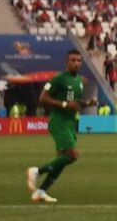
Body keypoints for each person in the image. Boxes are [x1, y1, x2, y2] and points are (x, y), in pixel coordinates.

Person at [25, 51, 86, 204]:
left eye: (79, 61)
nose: (76, 63)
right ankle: (36, 171)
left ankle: (41, 191)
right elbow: (43, 98)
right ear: (67, 62)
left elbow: (75, 102)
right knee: (72, 155)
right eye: (73, 60)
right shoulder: (59, 78)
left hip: (70, 123)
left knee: (62, 160)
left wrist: (87, 103)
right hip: (59, 122)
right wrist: (64, 104)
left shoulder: (79, 80)